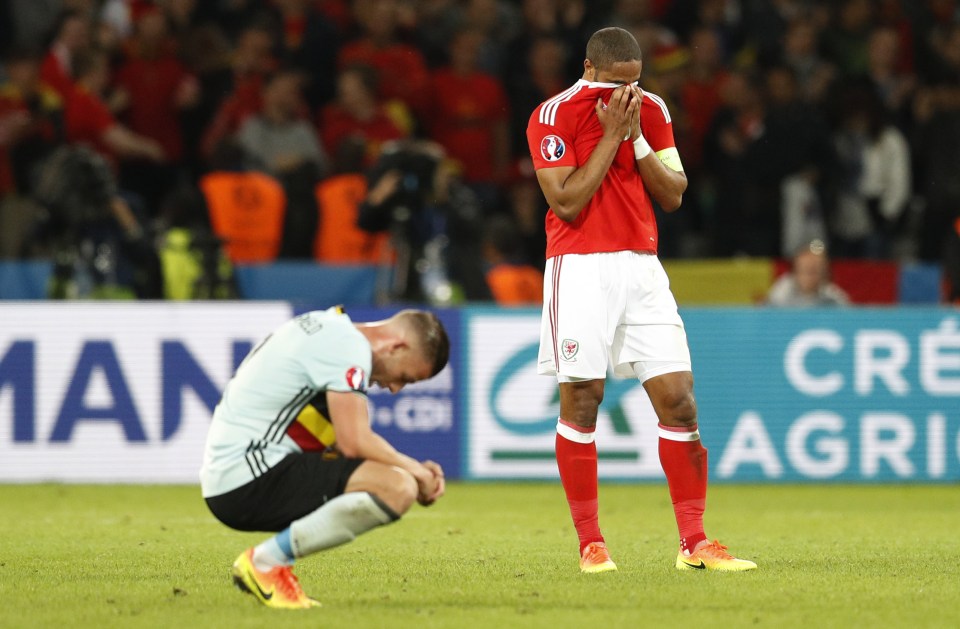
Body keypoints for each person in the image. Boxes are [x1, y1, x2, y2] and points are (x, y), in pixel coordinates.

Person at [525, 26, 756, 573]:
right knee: (582, 401)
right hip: (578, 267)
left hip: (643, 267)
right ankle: (591, 544)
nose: (625, 95)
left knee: (679, 400)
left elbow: (673, 194)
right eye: (614, 85)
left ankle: (695, 543)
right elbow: (566, 203)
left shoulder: (649, 109)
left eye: (633, 83)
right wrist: (609, 137)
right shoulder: (551, 116)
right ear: (589, 69)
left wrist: (634, 137)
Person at [200, 307, 449, 609]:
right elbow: (354, 442)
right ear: (396, 346)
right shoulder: (349, 347)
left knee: (394, 477)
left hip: (236, 472)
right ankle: (265, 565)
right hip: (247, 476)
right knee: (397, 488)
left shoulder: (331, 327)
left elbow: (341, 442)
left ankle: (269, 564)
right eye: (405, 377)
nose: (395, 389)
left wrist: (408, 467)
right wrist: (415, 472)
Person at [767, 239, 851, 307]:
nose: (811, 277)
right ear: (795, 272)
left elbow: (847, 317)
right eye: (806, 271)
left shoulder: (832, 296)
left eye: (816, 271)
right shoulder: (781, 293)